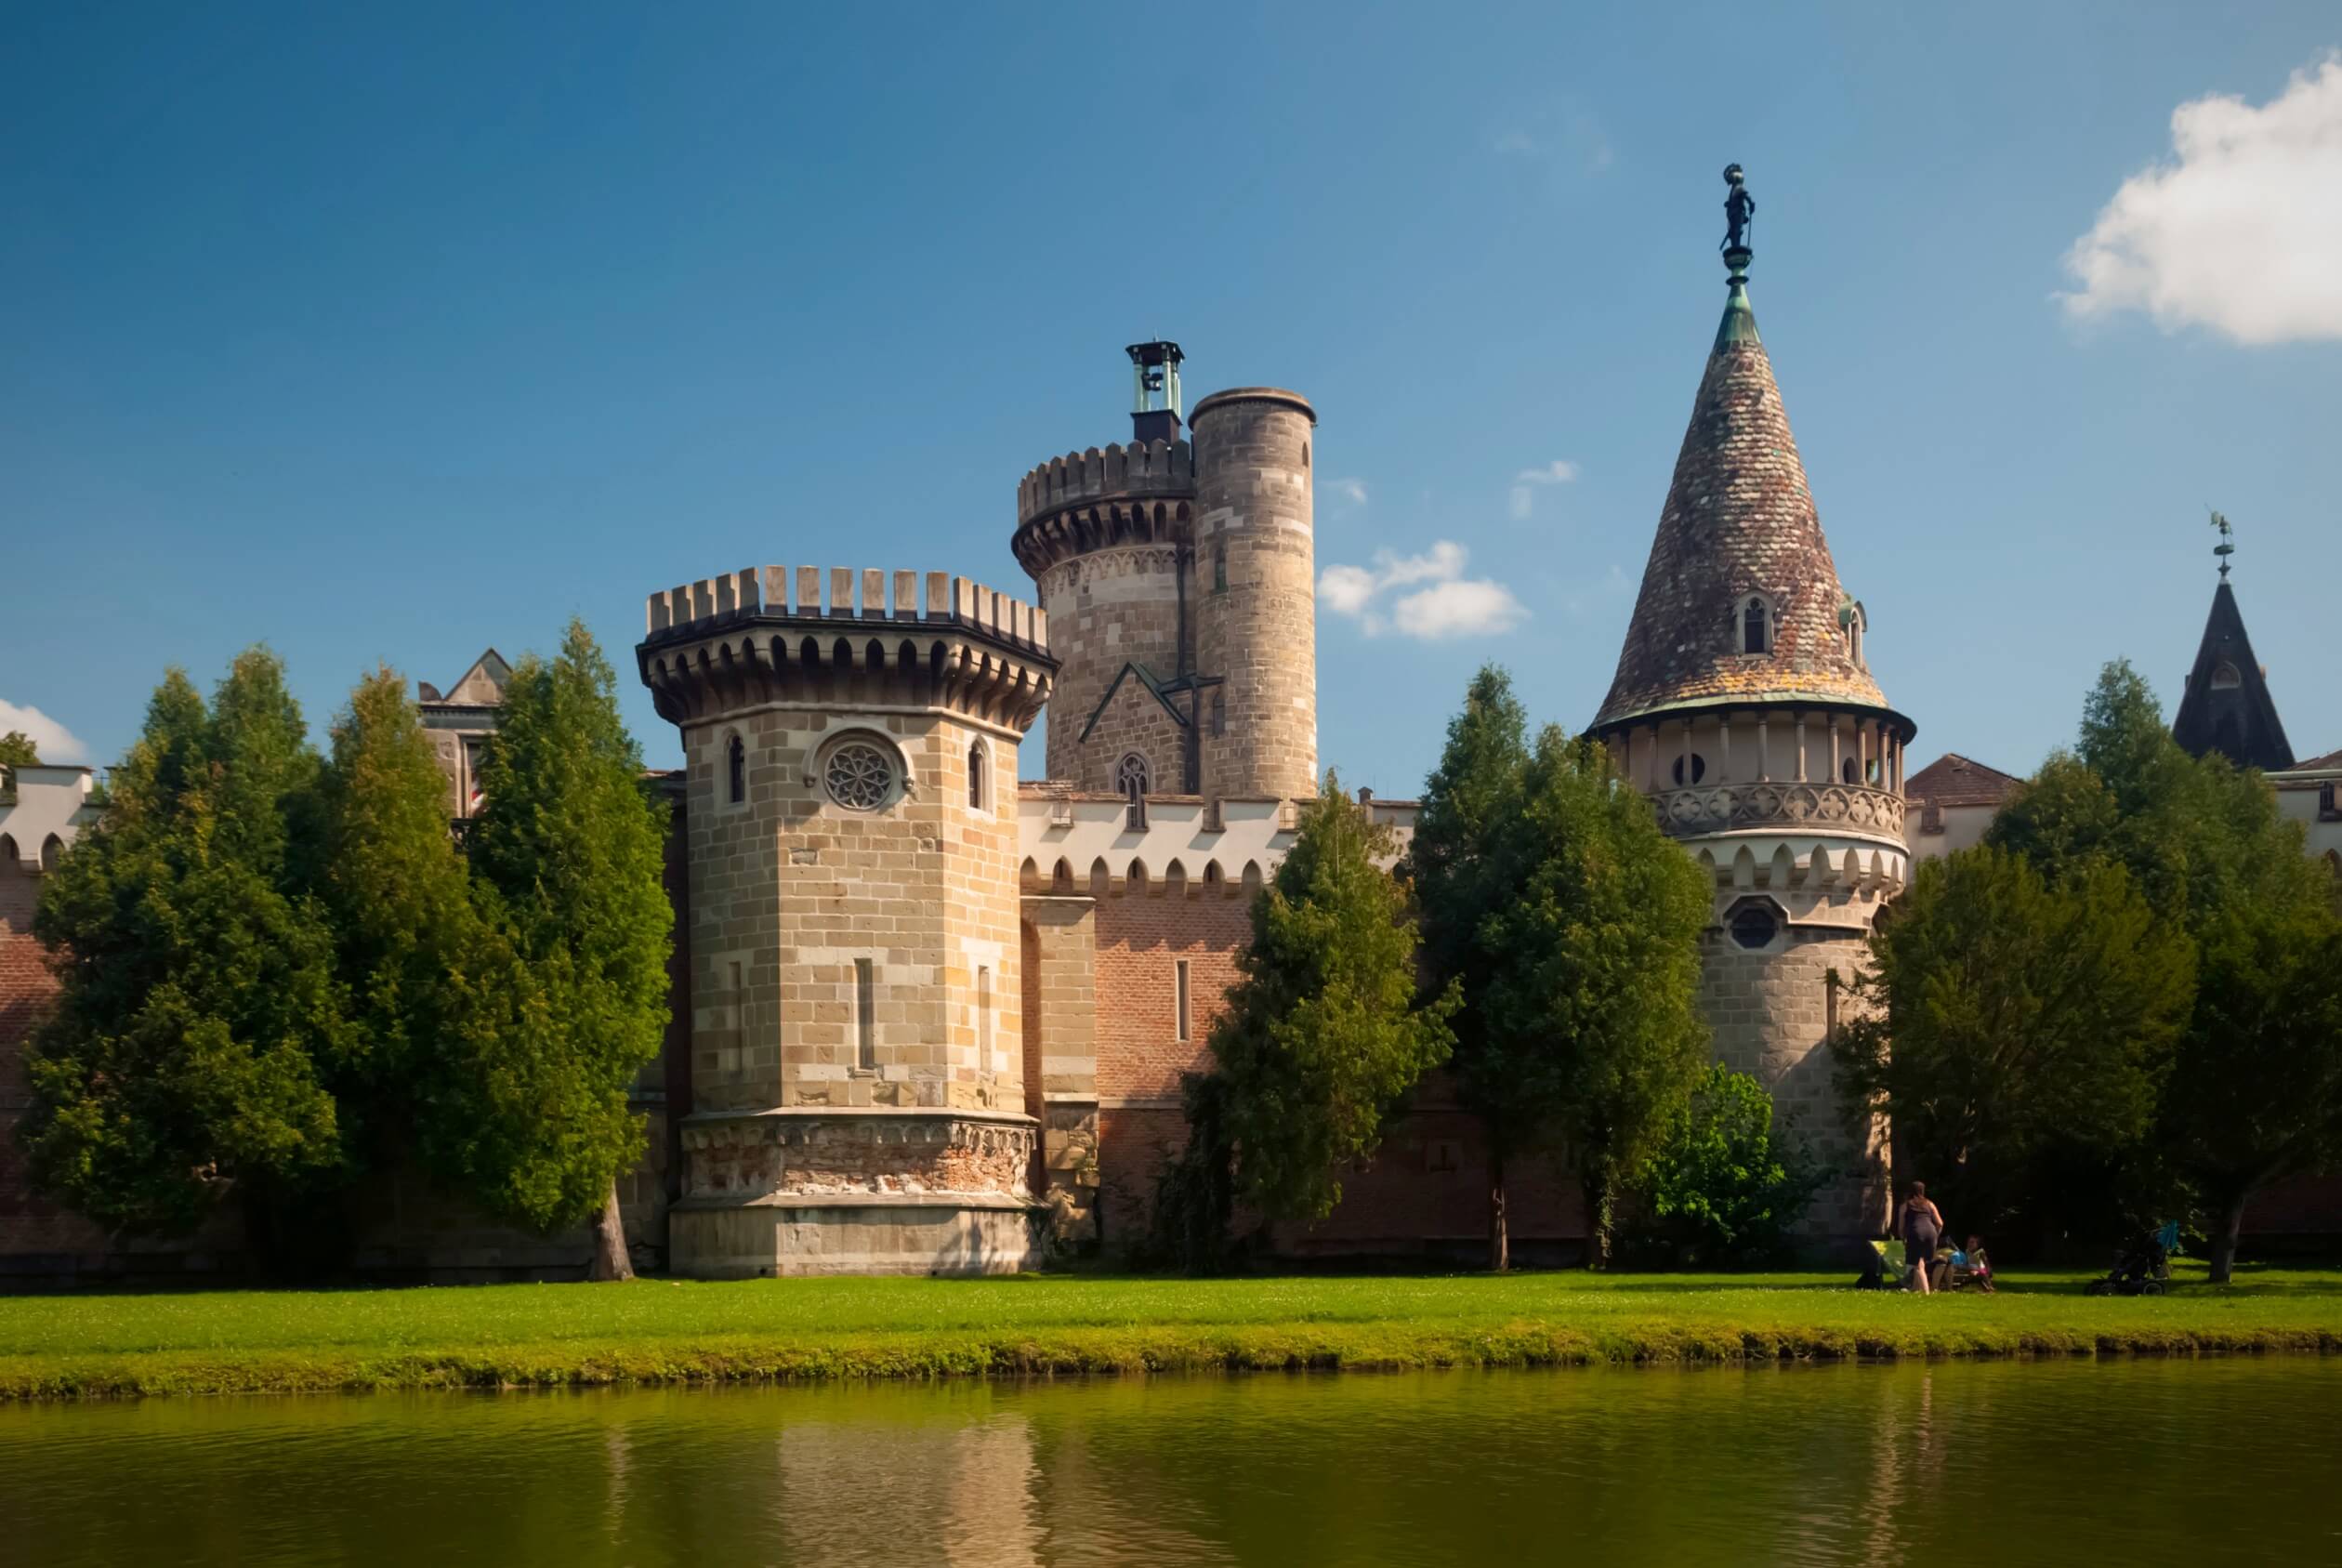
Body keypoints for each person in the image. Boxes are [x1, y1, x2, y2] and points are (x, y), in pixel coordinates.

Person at [1899, 1182, 1945, 1294]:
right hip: (1931, 1233)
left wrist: (1903, 1239)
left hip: (1916, 1233)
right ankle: (1914, 1289)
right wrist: (1935, 1236)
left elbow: (1901, 1227)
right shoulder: (1930, 1204)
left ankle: (1926, 1292)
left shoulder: (1906, 1205)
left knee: (1918, 1265)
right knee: (1920, 1262)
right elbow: (1940, 1223)